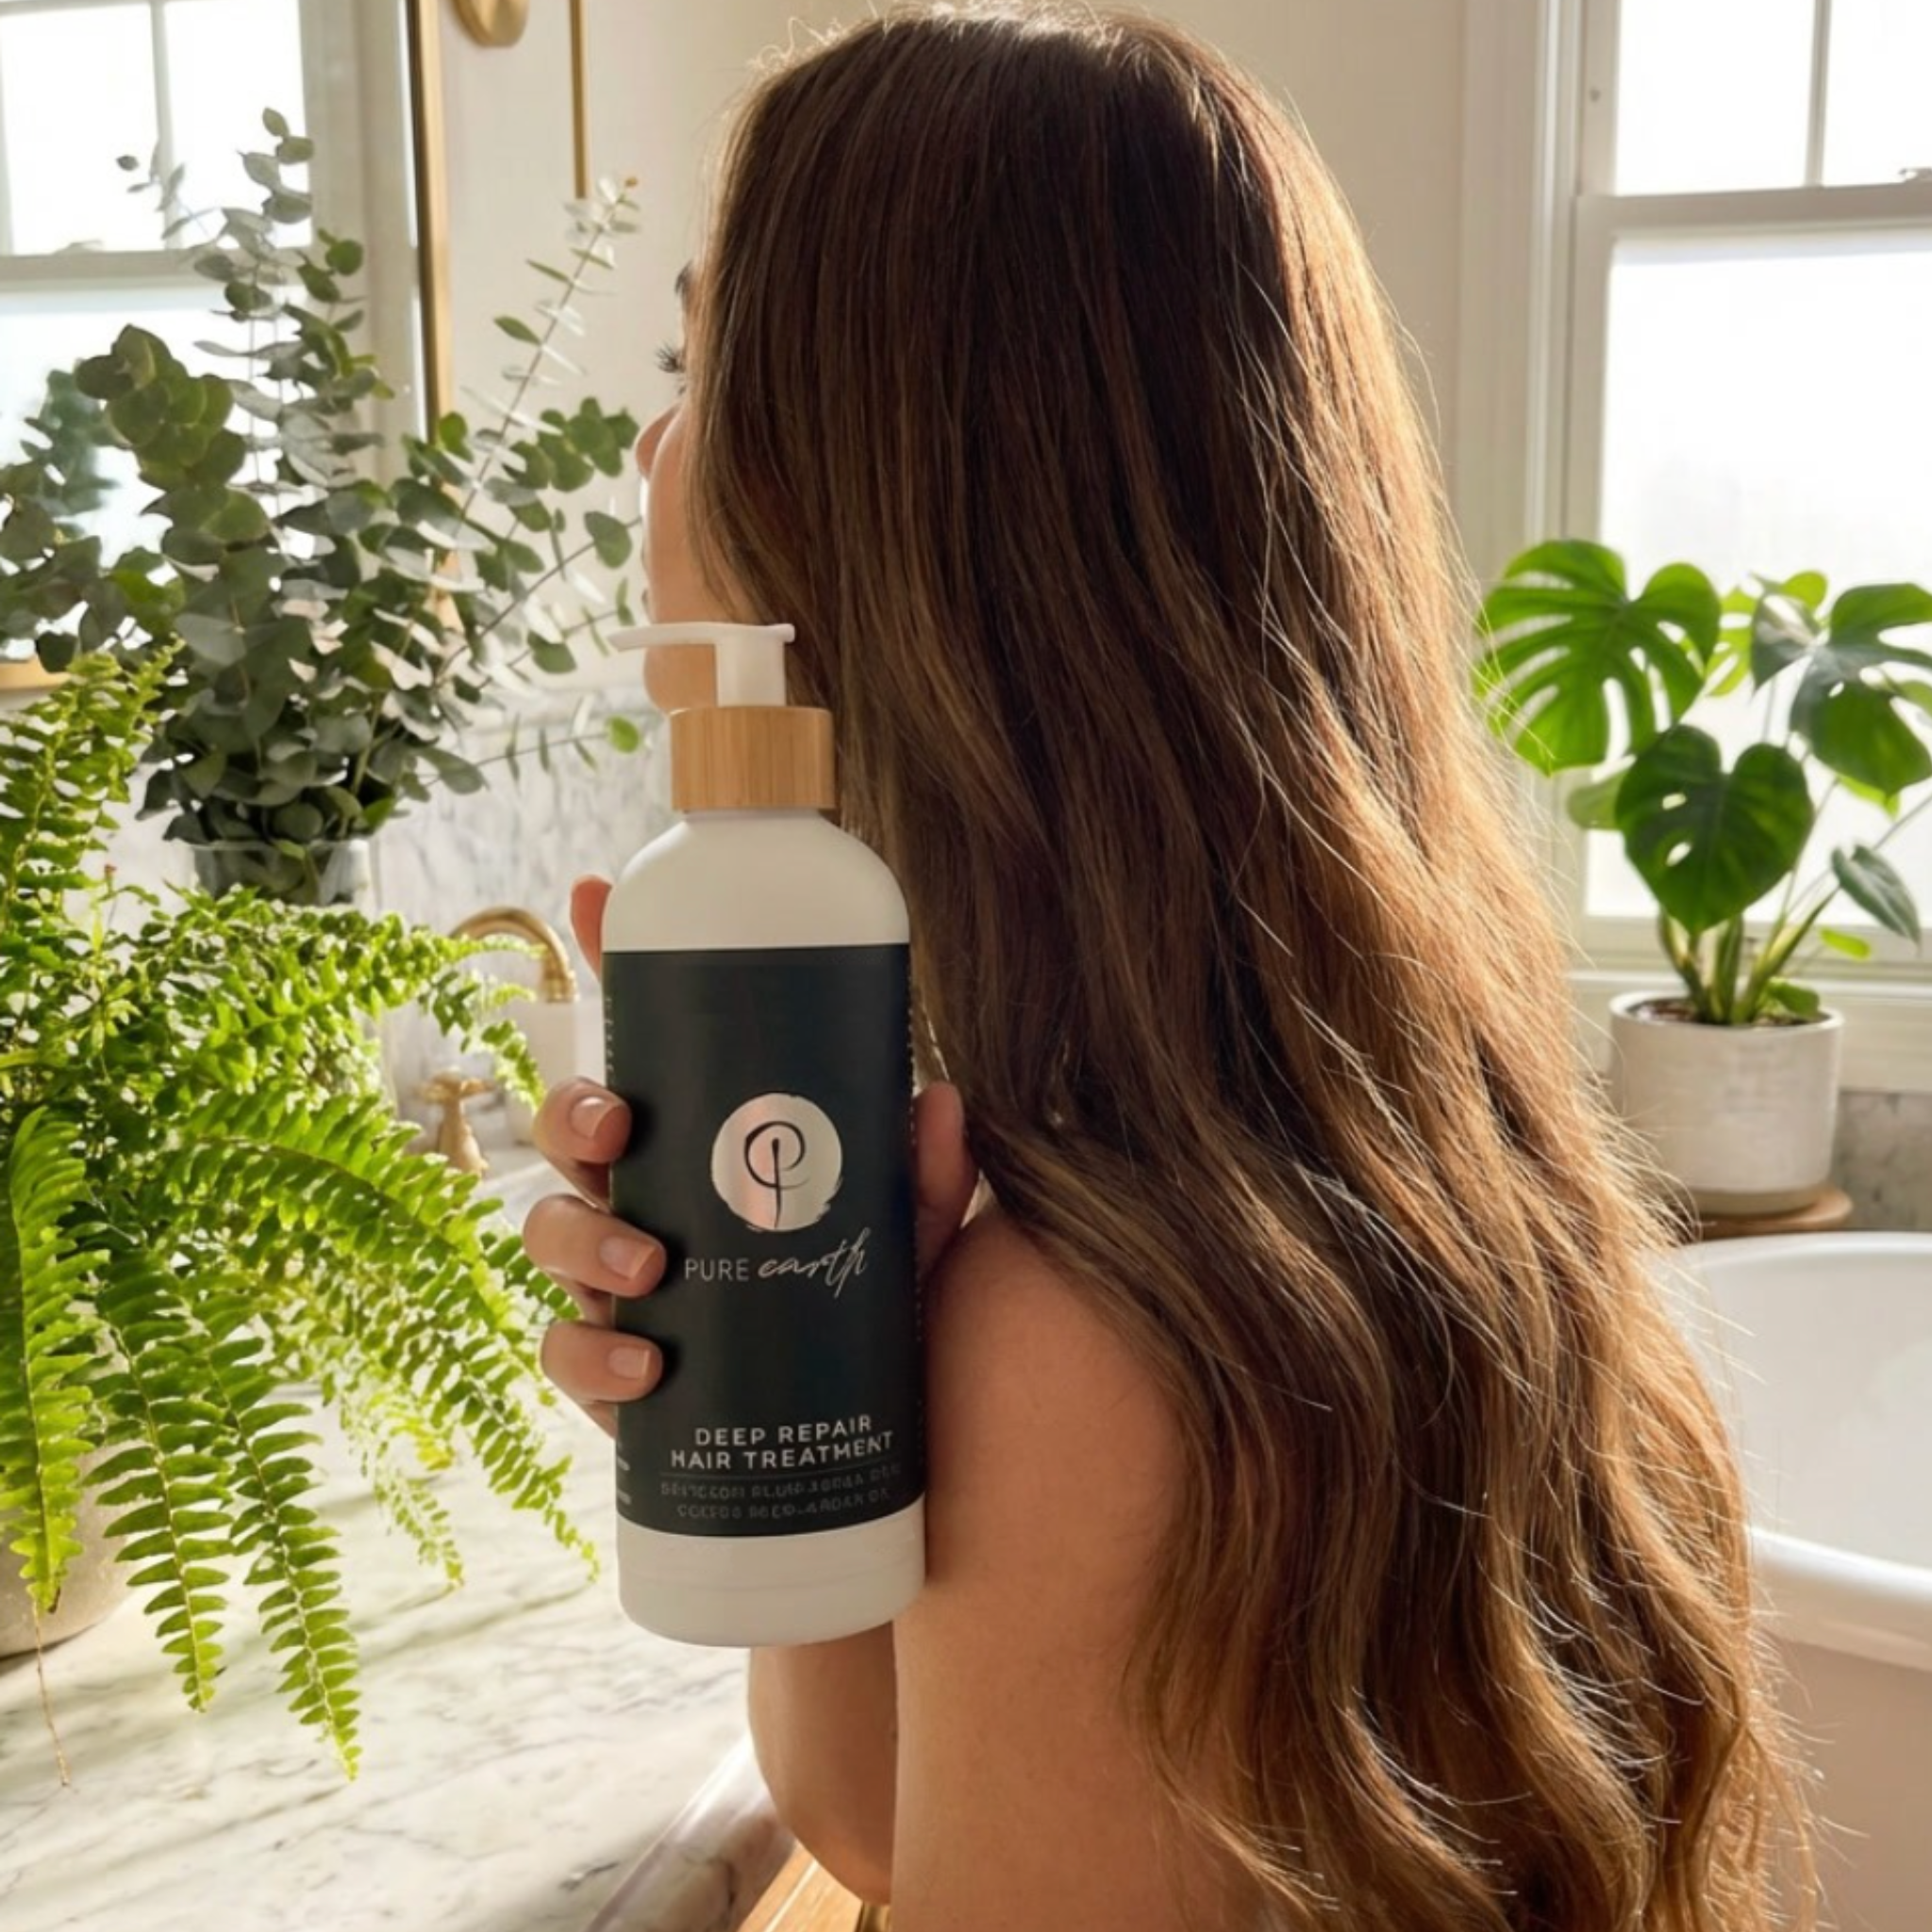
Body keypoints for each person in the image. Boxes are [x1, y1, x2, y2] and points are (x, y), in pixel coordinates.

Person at [522, 7, 1808, 1928]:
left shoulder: (1083, 1333)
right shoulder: (1313, 1150)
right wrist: (814, 1411)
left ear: (897, 483)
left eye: (703, 360)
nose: (653, 439)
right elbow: (890, 1822)